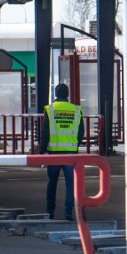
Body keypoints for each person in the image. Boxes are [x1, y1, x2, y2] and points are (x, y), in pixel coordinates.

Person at [40, 83, 84, 220]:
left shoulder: (50, 109)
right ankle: (69, 212)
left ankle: (50, 212)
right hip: (70, 153)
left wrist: (43, 151)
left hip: (53, 153)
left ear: (55, 94)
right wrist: (74, 145)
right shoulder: (76, 110)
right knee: (71, 183)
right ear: (68, 94)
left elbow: (45, 132)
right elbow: (81, 132)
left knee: (52, 182)